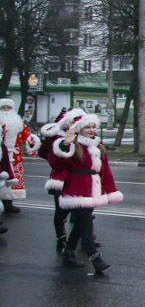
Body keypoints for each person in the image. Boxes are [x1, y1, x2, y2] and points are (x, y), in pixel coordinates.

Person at [52, 114, 122, 272]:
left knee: (80, 224)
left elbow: (105, 171)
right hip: (76, 188)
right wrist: (65, 145)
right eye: (87, 127)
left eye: (93, 127)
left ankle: (69, 254)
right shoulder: (73, 145)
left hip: (92, 189)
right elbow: (56, 163)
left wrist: (110, 191)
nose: (91, 130)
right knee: (86, 225)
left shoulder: (97, 145)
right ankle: (96, 258)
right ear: (79, 129)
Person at [39, 108, 86, 254]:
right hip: (61, 179)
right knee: (61, 212)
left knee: (83, 213)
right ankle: (61, 238)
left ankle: (85, 238)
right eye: (73, 121)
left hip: (80, 180)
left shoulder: (85, 137)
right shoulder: (58, 137)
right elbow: (46, 154)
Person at [0, 98, 41, 214]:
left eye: (9, 108)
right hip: (1, 154)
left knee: (13, 178)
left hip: (15, 154)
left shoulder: (18, 122)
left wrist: (31, 141)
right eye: (3, 108)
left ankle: (9, 201)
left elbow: (26, 134)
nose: (6, 110)